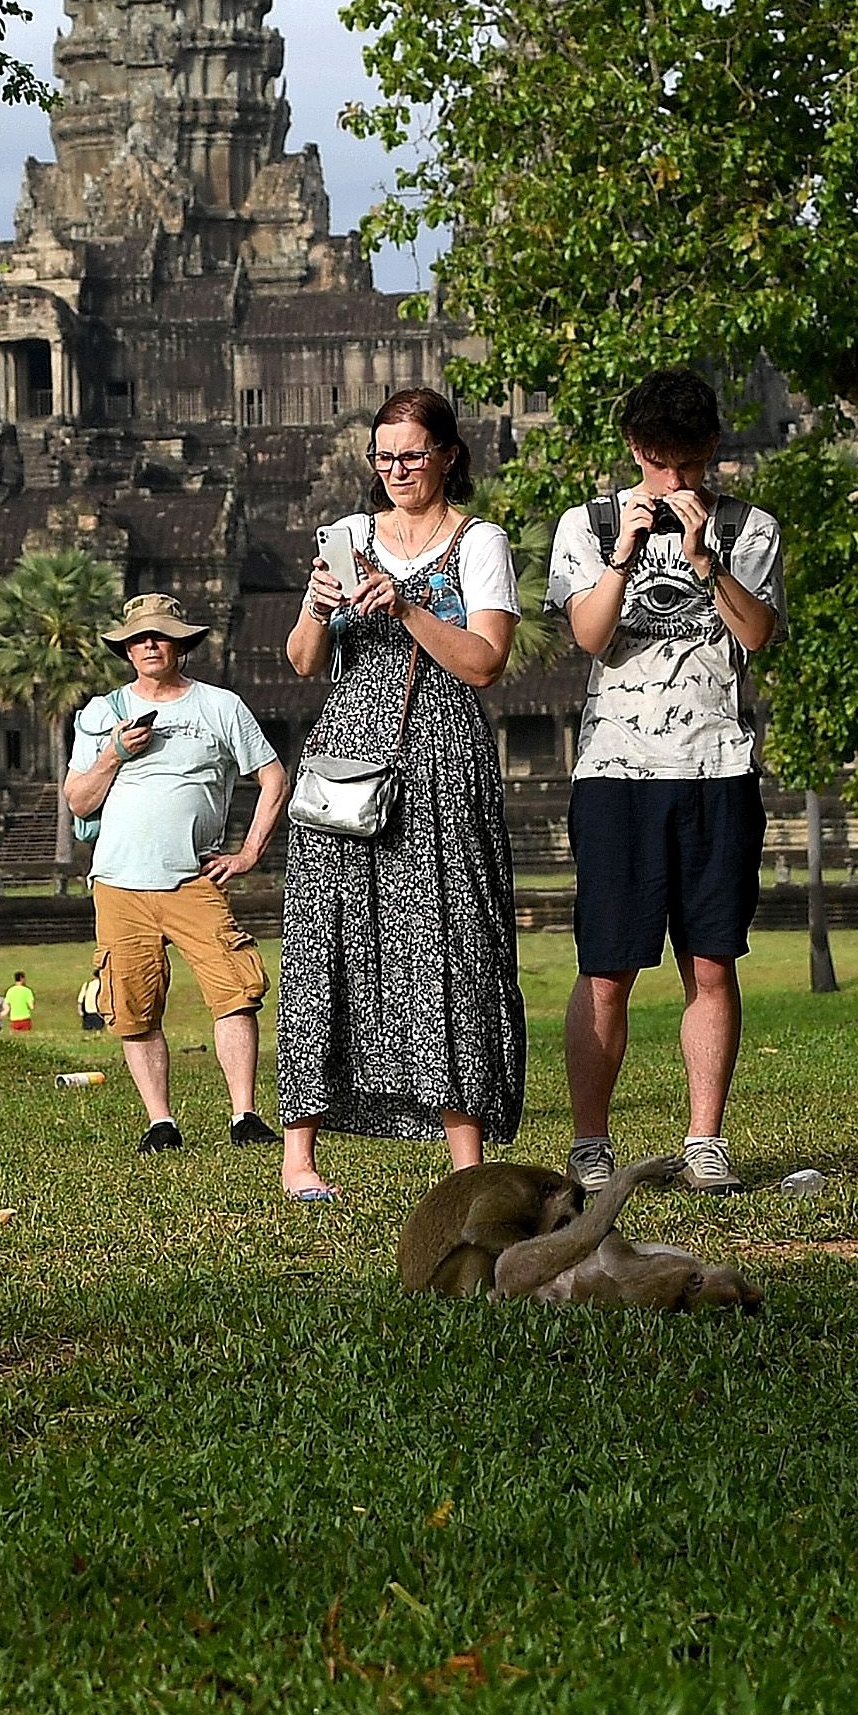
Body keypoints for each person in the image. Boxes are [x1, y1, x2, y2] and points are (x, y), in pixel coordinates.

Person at [273, 384, 528, 1203]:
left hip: (442, 753)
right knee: (326, 936)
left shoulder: (480, 542)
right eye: (382, 457)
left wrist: (410, 603)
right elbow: (306, 663)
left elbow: (485, 661)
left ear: (449, 456)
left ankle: (466, 1160)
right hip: (348, 749)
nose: (396, 470)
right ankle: (300, 1156)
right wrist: (317, 607)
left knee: (450, 939)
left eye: (412, 455)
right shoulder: (347, 535)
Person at [548, 367, 784, 1194]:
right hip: (616, 771)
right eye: (657, 462)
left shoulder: (750, 527)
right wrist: (623, 554)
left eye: (687, 464)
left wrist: (704, 559)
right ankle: (589, 1140)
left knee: (712, 962)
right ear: (634, 449)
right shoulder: (589, 522)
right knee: (607, 966)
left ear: (712, 450)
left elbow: (757, 634)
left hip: (717, 767)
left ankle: (704, 1139)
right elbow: (589, 633)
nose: (673, 481)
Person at [62, 591, 290, 1155]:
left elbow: (273, 778)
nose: (149, 645)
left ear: (181, 644)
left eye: (160, 635)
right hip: (118, 881)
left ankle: (244, 1113)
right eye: (138, 638)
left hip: (195, 877)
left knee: (236, 991)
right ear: (127, 649)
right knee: (133, 1003)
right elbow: (78, 801)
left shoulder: (219, 707)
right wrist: (113, 752)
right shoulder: (101, 713)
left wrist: (247, 853)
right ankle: (160, 1121)